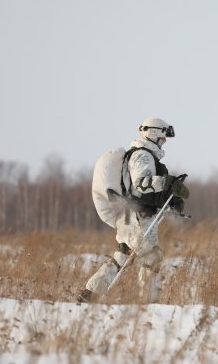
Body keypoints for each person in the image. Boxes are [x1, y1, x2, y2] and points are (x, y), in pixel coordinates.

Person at [77, 118, 189, 303]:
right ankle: (147, 305)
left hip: (131, 214)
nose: (165, 141)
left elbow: (144, 191)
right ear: (153, 134)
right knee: (151, 258)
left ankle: (88, 295)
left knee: (123, 256)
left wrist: (171, 200)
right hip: (138, 216)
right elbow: (143, 185)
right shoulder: (142, 156)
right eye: (162, 136)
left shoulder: (145, 155)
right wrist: (169, 183)